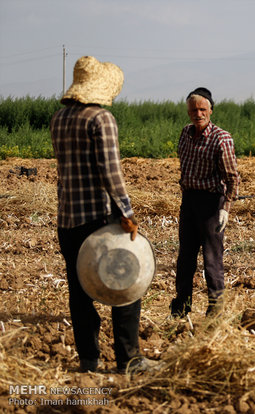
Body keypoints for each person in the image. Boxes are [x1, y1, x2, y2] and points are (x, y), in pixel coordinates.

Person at [51, 56, 153, 373]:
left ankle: (88, 360)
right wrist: (127, 212)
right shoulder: (101, 119)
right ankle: (129, 359)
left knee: (80, 291)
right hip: (98, 220)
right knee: (124, 287)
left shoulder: (58, 119)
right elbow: (111, 173)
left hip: (68, 220)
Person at [169, 87, 240, 318]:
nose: (197, 114)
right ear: (188, 111)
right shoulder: (185, 133)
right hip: (189, 201)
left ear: (211, 110)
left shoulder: (222, 138)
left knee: (212, 259)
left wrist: (225, 209)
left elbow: (232, 178)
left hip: (211, 204)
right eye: (193, 110)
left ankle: (216, 310)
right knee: (185, 259)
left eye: (202, 109)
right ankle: (181, 307)